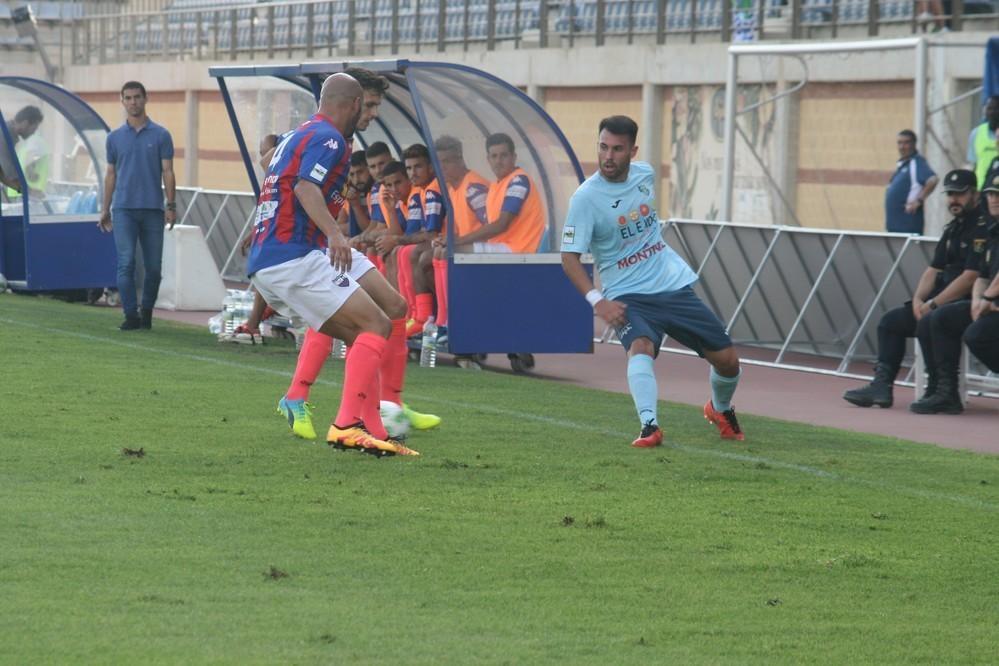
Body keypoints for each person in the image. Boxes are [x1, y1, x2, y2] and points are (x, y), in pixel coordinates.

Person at [247, 73, 417, 458]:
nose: (372, 116)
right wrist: (337, 234)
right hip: (295, 254)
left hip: (291, 252)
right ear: (354, 104)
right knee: (374, 325)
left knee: (388, 314)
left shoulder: (301, 134)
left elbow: (278, 175)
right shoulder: (329, 139)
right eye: (369, 107)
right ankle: (346, 425)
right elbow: (305, 188)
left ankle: (374, 428)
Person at [561, 115, 745, 447]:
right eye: (603, 147)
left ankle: (719, 409)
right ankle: (650, 425)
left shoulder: (645, 174)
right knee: (641, 348)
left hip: (671, 284)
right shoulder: (585, 199)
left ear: (632, 151)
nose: (608, 156)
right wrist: (597, 300)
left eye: (617, 149)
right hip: (627, 293)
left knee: (728, 360)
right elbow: (568, 258)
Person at [843, 169, 992, 409]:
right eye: (950, 194)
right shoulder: (954, 228)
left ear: (974, 194)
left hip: (965, 302)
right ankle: (882, 387)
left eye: (960, 194)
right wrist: (918, 300)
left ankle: (943, 390)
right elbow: (933, 269)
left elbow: (970, 277)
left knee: (932, 319)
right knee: (890, 322)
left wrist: (932, 304)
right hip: (941, 301)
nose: (954, 199)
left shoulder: (983, 227)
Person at [916, 167, 999, 414]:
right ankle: (944, 390)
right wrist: (977, 301)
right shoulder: (993, 231)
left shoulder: (983, 227)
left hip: (993, 302)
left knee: (976, 335)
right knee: (934, 319)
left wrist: (986, 298)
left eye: (998, 194)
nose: (993, 199)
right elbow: (983, 274)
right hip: (988, 303)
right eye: (991, 194)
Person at [97, 82, 176, 331]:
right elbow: (111, 174)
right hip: (123, 210)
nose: (133, 102)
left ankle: (147, 312)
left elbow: (168, 171)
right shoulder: (114, 138)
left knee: (153, 267)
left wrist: (171, 205)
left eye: (137, 97)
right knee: (126, 262)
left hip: (153, 209)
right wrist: (105, 208)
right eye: (128, 98)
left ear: (145, 99)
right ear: (122, 101)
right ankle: (131, 315)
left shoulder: (161, 135)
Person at [454, 133, 544, 254]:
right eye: (494, 156)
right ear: (488, 159)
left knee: (454, 251)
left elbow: (502, 224)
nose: (498, 161)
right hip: (500, 246)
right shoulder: (496, 185)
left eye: (504, 156)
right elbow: (489, 224)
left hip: (519, 249)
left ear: (514, 157)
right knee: (442, 250)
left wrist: (459, 241)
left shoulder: (519, 181)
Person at [885, 130, 937, 234]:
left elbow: (933, 179)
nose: (902, 147)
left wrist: (919, 201)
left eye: (906, 143)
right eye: (899, 143)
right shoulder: (904, 164)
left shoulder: (916, 162)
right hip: (895, 228)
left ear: (914, 144)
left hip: (908, 228)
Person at [3, 105, 46, 199]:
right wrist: (29, 191)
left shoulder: (8, 133)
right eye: (34, 128)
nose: (34, 132)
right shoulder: (4, 135)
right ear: (25, 123)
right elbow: (6, 172)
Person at [967, 96, 999, 190]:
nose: (993, 112)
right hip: (981, 189)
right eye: (989, 108)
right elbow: (973, 164)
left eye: (997, 109)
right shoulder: (976, 133)